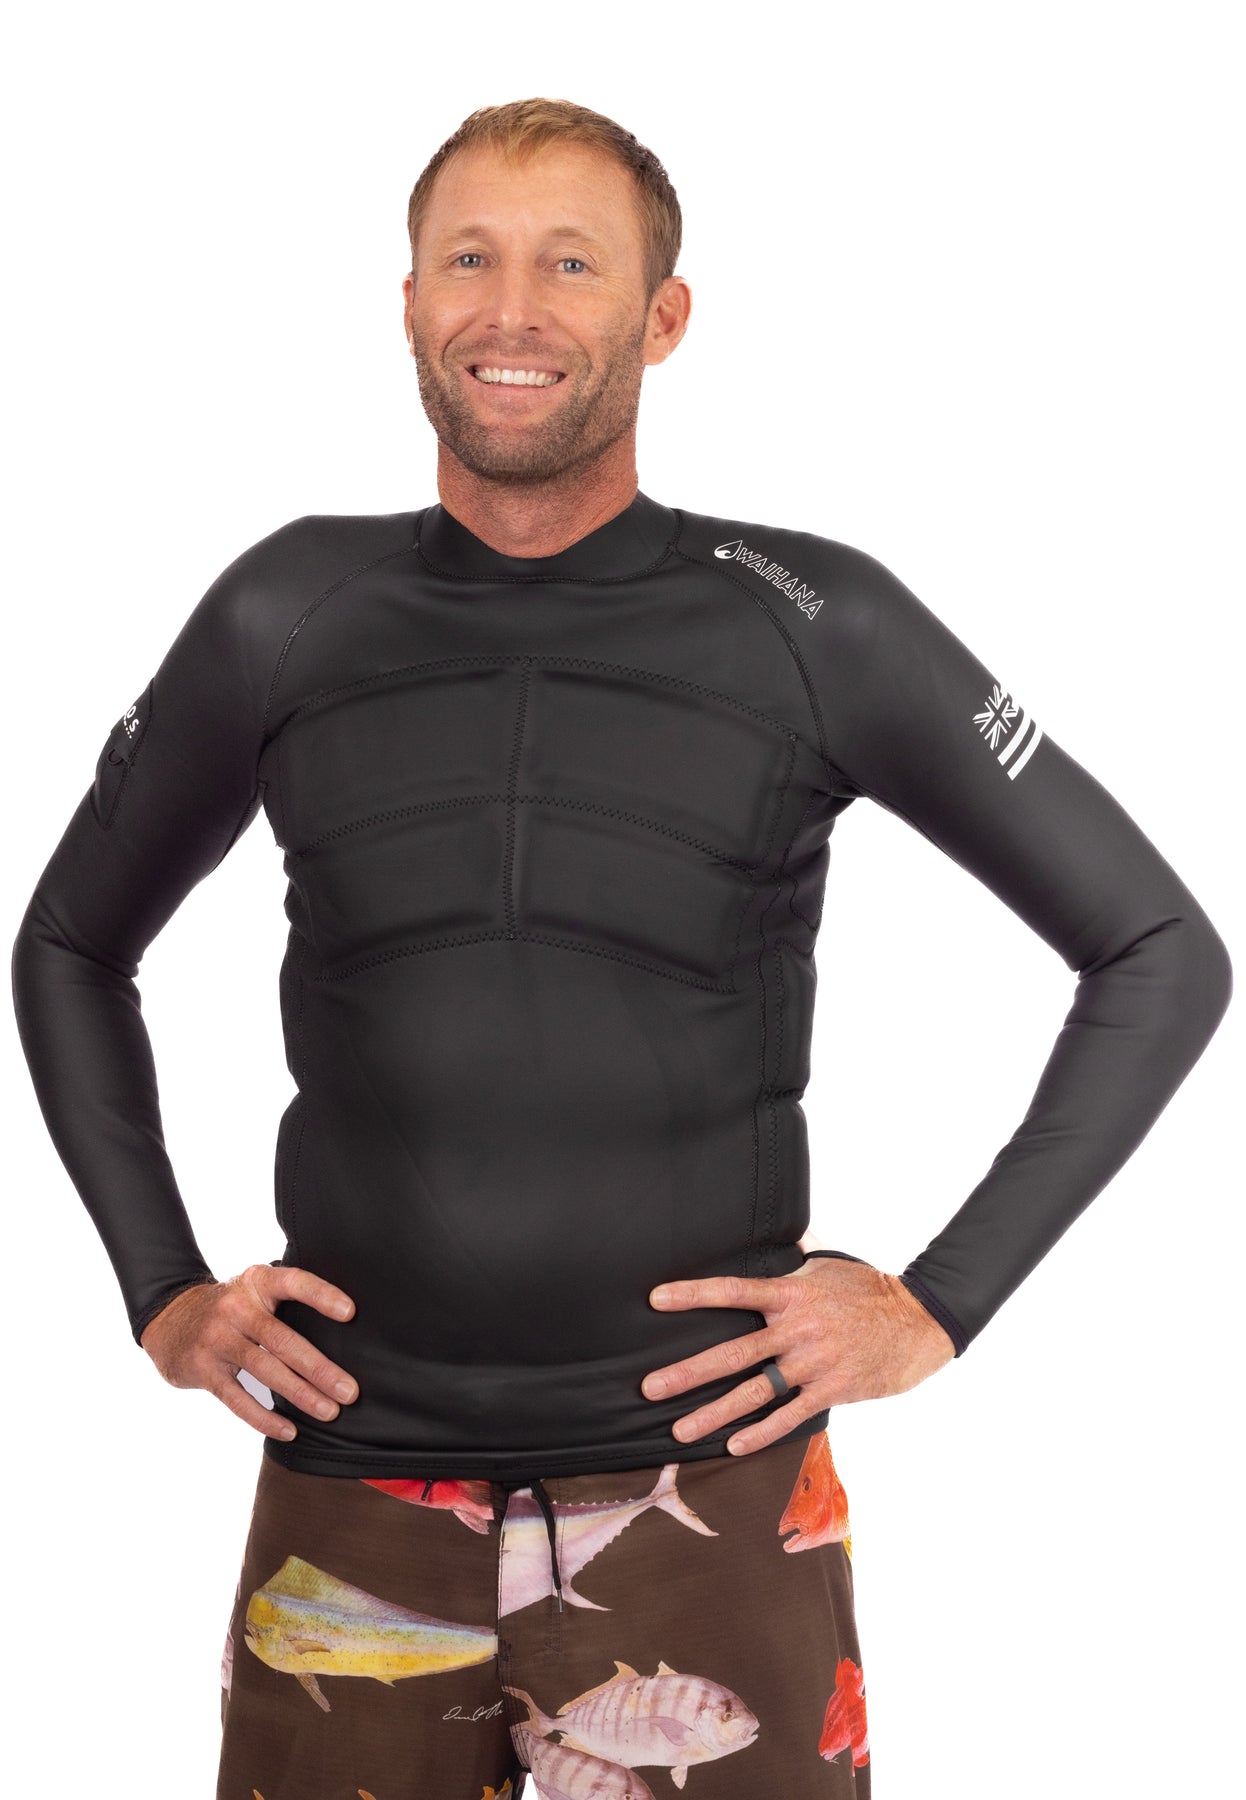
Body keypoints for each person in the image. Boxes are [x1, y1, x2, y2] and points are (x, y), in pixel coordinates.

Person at [10, 96, 1232, 1800]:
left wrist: (934, 1306)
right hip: (352, 1481)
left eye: (571, 264)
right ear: (410, 301)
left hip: (709, 1492)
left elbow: (1158, 948)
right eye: (469, 260)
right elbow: (70, 943)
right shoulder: (284, 611)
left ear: (662, 317)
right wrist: (162, 1293)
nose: (511, 310)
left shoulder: (813, 620)